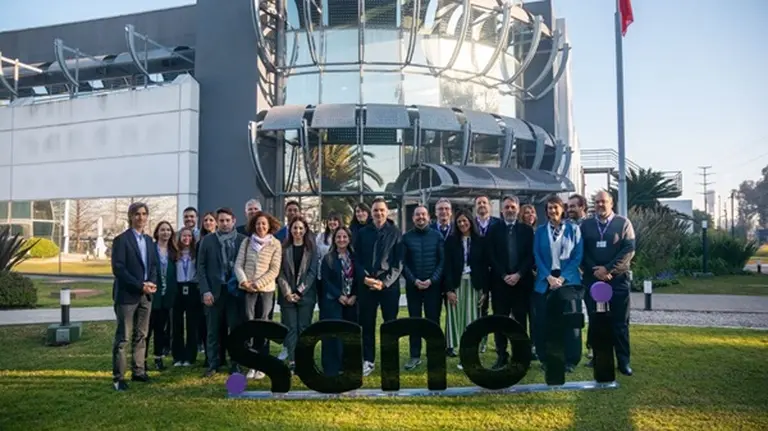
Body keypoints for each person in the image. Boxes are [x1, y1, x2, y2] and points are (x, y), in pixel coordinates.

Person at [580, 190, 636, 376]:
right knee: (596, 321)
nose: (600, 205)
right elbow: (580, 251)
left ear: (611, 203)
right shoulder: (586, 225)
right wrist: (595, 270)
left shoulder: (623, 223)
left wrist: (609, 269)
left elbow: (629, 249)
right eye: (596, 202)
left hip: (617, 281)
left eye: (604, 202)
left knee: (619, 323)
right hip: (593, 281)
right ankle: (599, 358)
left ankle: (623, 361)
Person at [532, 195, 584, 372]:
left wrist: (562, 278)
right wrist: (548, 277)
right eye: (549, 208)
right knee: (544, 322)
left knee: (570, 322)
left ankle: (571, 359)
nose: (552, 211)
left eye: (555, 207)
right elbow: (537, 256)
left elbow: (577, 256)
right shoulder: (539, 231)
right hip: (545, 281)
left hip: (568, 281)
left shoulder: (574, 229)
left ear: (562, 209)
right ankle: (546, 358)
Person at [110, 202, 158, 391]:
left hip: (146, 296)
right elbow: (119, 268)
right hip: (127, 297)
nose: (141, 217)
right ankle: (119, 377)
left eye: (144, 214)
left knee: (142, 335)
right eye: (137, 214)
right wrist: (140, 285)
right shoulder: (121, 240)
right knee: (124, 338)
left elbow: (153, 266)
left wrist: (151, 283)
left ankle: (138, 371)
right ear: (131, 216)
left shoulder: (148, 241)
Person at [354, 197, 403, 377]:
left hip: (388, 286)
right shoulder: (363, 232)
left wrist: (385, 282)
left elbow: (399, 262)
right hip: (367, 285)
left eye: (382, 210)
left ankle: (389, 360)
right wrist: (364, 278)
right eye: (375, 210)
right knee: (367, 325)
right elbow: (356, 259)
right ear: (371, 213)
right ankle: (368, 360)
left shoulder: (396, 232)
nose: (379, 213)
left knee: (390, 324)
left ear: (387, 212)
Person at [198, 207, 247, 378]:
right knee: (213, 330)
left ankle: (236, 363)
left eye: (228, 220)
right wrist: (205, 291)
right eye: (221, 221)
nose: (224, 224)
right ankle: (213, 363)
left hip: (235, 293)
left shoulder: (243, 240)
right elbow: (201, 267)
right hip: (214, 292)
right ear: (217, 222)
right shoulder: (208, 241)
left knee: (235, 330)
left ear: (234, 221)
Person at [487, 195, 535, 370]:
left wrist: (519, 274)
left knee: (521, 321)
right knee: (500, 321)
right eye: (506, 207)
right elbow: (491, 255)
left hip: (522, 284)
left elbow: (531, 255)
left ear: (518, 209)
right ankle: (502, 355)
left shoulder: (527, 230)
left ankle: (521, 355)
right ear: (501, 210)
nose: (509, 210)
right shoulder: (493, 230)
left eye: (512, 207)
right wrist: (503, 274)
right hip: (500, 284)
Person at [234, 210, 282, 380]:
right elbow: (238, 264)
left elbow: (274, 269)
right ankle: (251, 364)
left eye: (264, 224)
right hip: (247, 290)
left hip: (266, 290)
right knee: (249, 324)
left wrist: (258, 283)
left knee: (264, 324)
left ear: (269, 226)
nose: (260, 226)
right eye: (258, 224)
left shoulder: (275, 244)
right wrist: (244, 282)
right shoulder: (246, 242)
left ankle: (263, 364)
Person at [402, 205, 445, 371]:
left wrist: (431, 280)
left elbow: (442, 261)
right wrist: (414, 281)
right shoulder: (406, 238)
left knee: (432, 322)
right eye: (417, 215)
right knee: (415, 322)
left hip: (432, 287)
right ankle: (414, 356)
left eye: (423, 214)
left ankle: (434, 354)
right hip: (414, 288)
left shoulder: (437, 236)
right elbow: (403, 263)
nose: (420, 217)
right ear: (413, 218)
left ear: (429, 217)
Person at [443, 210, 487, 369]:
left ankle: (472, 355)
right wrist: (449, 290)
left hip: (475, 286)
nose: (462, 224)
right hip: (457, 285)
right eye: (459, 221)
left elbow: (484, 267)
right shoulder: (451, 241)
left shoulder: (481, 240)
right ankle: (462, 355)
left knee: (472, 321)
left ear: (470, 221)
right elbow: (446, 267)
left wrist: (485, 291)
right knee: (459, 322)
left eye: (465, 221)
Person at [277, 216, 318, 372]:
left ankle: (305, 360)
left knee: (304, 328)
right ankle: (293, 361)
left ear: (305, 229)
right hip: (287, 297)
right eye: (295, 228)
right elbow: (279, 273)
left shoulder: (312, 248)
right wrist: (288, 292)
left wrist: (300, 291)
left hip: (306, 296)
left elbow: (312, 272)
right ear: (290, 229)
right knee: (291, 329)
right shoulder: (283, 248)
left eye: (301, 228)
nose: (298, 231)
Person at [319, 226, 360, 376]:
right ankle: (332, 368)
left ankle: (348, 366)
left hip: (352, 302)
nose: (341, 240)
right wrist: (339, 296)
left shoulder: (355, 257)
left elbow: (359, 278)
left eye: (344, 237)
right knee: (333, 336)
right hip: (334, 302)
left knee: (349, 335)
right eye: (338, 237)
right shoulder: (328, 258)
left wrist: (354, 295)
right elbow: (325, 281)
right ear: (334, 240)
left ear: (349, 239)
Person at [147, 221, 177, 371]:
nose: (165, 232)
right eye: (162, 230)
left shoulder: (173, 251)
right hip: (152, 296)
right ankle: (142, 360)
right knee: (146, 330)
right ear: (157, 232)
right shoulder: (151, 249)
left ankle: (158, 359)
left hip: (167, 297)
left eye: (168, 230)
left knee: (161, 330)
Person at [474, 195, 500, 353]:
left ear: (490, 206)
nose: (482, 205)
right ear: (475, 206)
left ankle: (499, 342)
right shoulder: (471, 224)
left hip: (497, 272)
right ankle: (481, 341)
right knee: (480, 310)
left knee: (498, 309)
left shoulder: (498, 223)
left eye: (484, 202)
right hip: (480, 273)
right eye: (479, 203)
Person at [172, 226, 200, 367]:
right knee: (176, 324)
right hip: (177, 289)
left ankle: (190, 356)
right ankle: (178, 356)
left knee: (191, 324)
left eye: (189, 236)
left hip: (192, 288)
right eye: (184, 236)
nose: (186, 238)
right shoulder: (174, 254)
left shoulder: (196, 253)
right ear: (179, 238)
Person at [197, 211, 217, 363]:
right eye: (206, 220)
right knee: (207, 325)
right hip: (207, 289)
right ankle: (209, 358)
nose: (209, 222)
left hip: (224, 290)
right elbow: (200, 266)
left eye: (211, 220)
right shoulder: (201, 242)